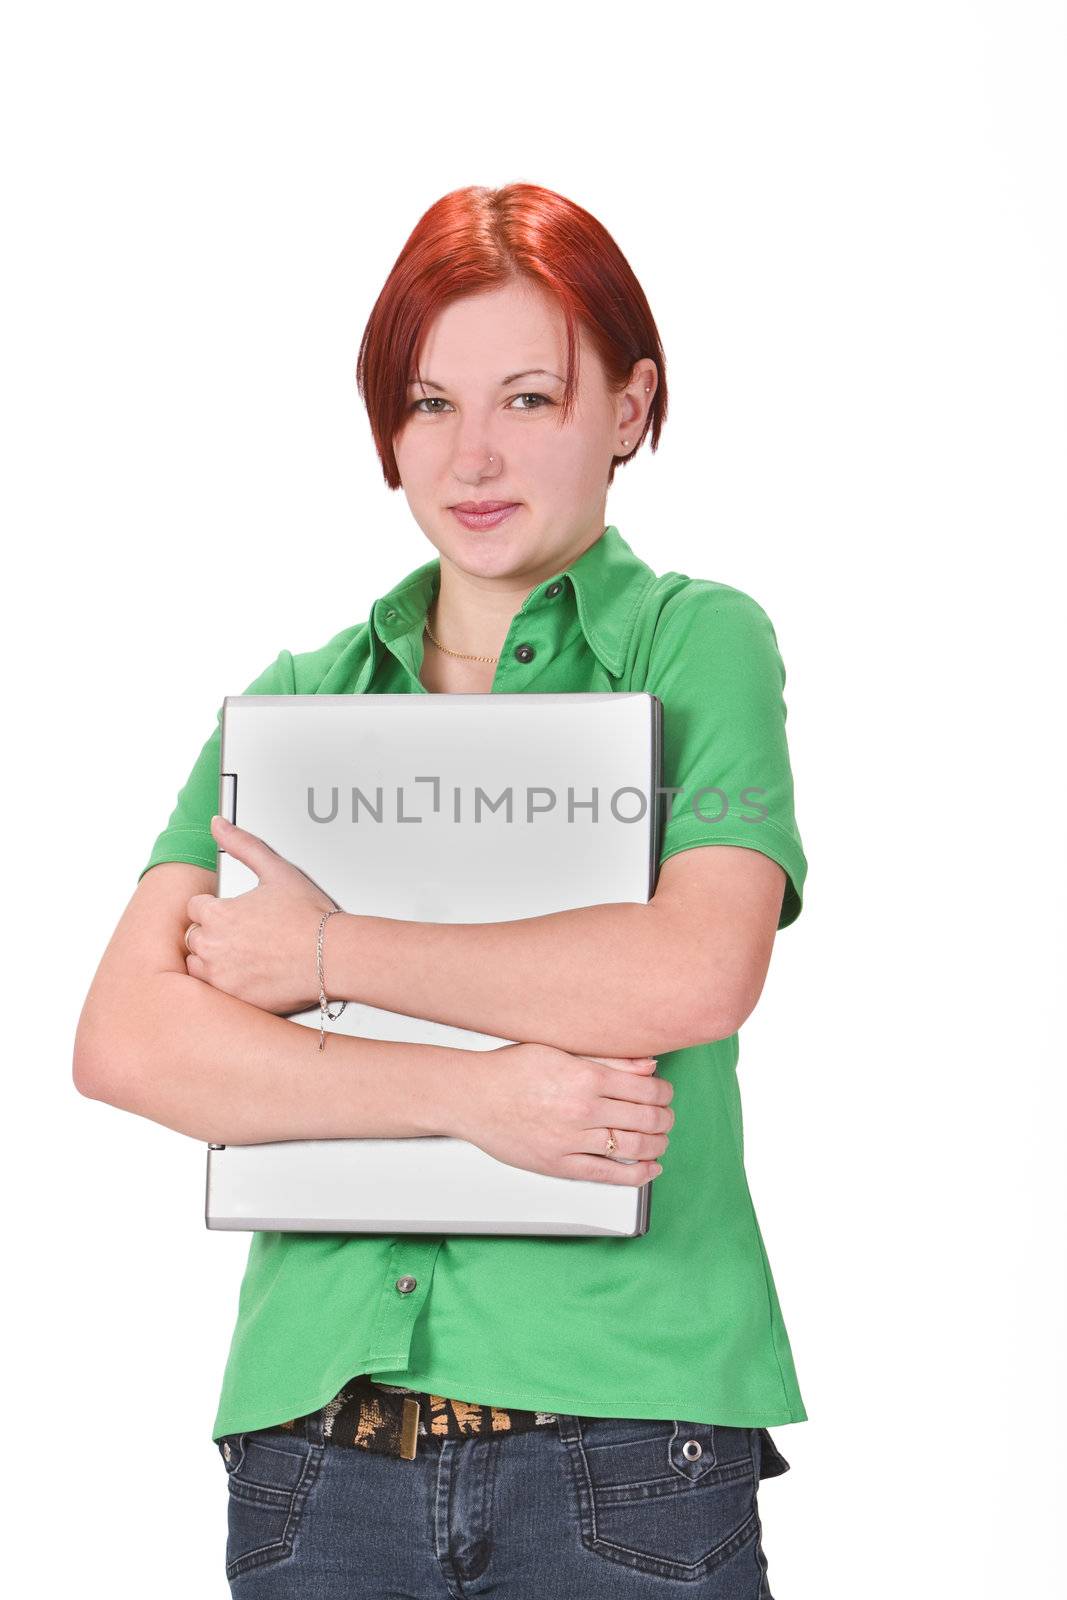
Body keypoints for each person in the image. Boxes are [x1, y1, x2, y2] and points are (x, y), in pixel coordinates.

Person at [73, 181, 808, 1598]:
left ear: (631, 407)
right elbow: (129, 1042)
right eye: (425, 403)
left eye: (529, 398)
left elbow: (693, 967)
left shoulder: (693, 644)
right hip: (315, 1460)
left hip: (626, 1445)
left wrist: (326, 949)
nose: (471, 454)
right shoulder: (290, 710)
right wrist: (476, 1096)